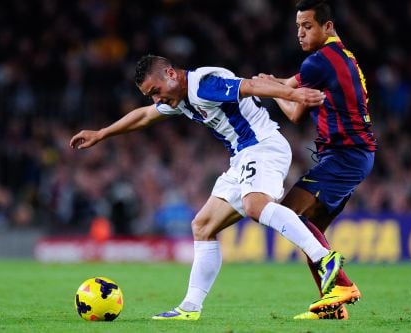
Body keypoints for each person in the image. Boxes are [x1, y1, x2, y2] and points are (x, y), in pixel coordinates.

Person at [70, 54, 347, 320]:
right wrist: (101, 134)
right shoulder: (177, 98)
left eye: (156, 90)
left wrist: (294, 94)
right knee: (202, 226)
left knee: (255, 205)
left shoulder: (204, 84)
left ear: (170, 73)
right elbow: (145, 116)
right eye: (150, 95)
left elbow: (249, 85)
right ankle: (190, 307)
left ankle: (324, 257)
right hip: (242, 157)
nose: (157, 99)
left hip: (263, 147)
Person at [256, 0, 378, 320]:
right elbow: (293, 82)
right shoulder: (339, 56)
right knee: (311, 232)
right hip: (355, 155)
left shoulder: (318, 62)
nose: (300, 32)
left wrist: (271, 91)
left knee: (287, 213)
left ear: (327, 27)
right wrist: (272, 83)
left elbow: (295, 112)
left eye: (307, 26)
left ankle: (344, 286)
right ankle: (332, 307)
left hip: (344, 156)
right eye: (297, 26)